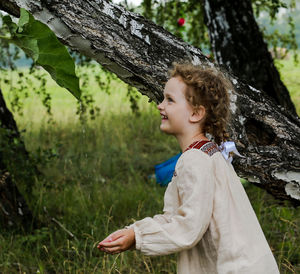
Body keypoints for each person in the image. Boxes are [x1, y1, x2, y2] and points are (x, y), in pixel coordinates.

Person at [98, 63, 279, 274]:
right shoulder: (207, 152)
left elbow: (188, 227)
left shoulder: (194, 160)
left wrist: (138, 237)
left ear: (196, 113)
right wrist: (133, 231)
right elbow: (180, 216)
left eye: (170, 100)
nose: (160, 105)